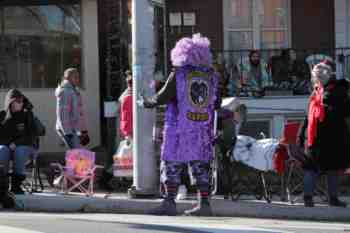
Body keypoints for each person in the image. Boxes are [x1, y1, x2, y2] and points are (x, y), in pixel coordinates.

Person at [140, 34, 219, 216]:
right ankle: (204, 204)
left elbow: (162, 97)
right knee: (200, 165)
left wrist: (145, 101)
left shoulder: (179, 74)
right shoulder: (211, 77)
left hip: (178, 128)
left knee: (172, 164)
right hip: (201, 130)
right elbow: (217, 102)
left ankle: (169, 202)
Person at [298, 62, 350, 207]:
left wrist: (326, 108)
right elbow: (307, 117)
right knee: (313, 168)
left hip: (333, 137)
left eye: (319, 76)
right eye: (316, 76)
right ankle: (309, 198)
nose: (317, 79)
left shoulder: (339, 90)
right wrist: (301, 137)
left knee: (331, 168)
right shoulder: (316, 93)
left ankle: (331, 198)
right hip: (316, 138)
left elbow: (345, 112)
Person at [0, 89, 45, 197]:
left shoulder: (27, 114)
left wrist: (16, 143)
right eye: (18, 102)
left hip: (27, 147)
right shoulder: (2, 116)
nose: (21, 104)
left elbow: (32, 136)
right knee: (2, 149)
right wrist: (8, 144)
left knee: (19, 151)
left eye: (22, 101)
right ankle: (2, 184)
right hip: (8, 147)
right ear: (10, 102)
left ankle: (16, 185)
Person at [55, 68, 90, 149]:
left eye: (78, 77)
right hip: (68, 129)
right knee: (77, 155)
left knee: (77, 155)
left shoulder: (75, 91)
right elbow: (62, 114)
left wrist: (83, 130)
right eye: (75, 77)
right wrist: (67, 133)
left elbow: (79, 113)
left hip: (74, 129)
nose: (78, 79)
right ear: (68, 78)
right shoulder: (65, 92)